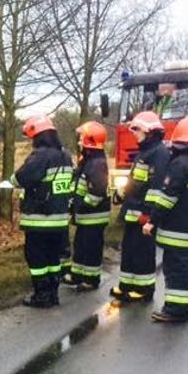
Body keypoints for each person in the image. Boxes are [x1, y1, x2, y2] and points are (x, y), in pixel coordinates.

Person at [144, 115, 188, 323]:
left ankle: (175, 310)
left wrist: (151, 221)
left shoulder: (179, 166)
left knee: (175, 270)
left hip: (177, 229)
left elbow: (167, 199)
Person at [12, 116, 73, 308]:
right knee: (53, 258)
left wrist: (13, 180)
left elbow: (22, 177)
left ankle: (41, 295)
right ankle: (53, 294)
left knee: (36, 257)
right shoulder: (65, 155)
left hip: (40, 218)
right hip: (60, 218)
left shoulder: (40, 156)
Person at [111, 110, 170, 304]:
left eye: (137, 130)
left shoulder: (159, 153)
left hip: (143, 212)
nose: (134, 133)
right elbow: (137, 180)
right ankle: (127, 285)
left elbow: (156, 186)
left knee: (143, 251)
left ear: (149, 131)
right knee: (129, 249)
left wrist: (148, 214)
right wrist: (122, 193)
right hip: (132, 210)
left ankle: (144, 289)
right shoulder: (145, 152)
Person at [68, 121, 110, 291]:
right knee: (80, 246)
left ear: (89, 141)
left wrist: (83, 206)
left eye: (82, 139)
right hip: (85, 216)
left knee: (91, 248)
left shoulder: (96, 163)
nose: (79, 142)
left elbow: (97, 192)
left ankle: (91, 279)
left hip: (93, 216)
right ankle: (77, 275)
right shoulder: (88, 161)